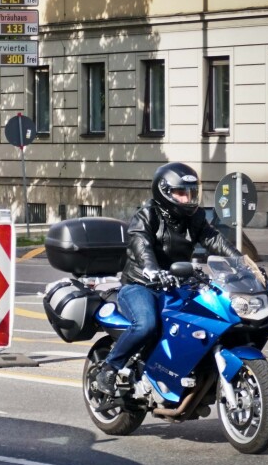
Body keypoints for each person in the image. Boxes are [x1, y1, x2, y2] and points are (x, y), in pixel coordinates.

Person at [94, 162, 245, 404]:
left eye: (191, 192)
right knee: (146, 325)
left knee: (209, 318)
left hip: (178, 283)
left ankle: (187, 371)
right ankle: (110, 368)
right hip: (141, 285)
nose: (187, 198)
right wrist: (152, 270)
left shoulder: (194, 218)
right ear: (163, 192)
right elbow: (141, 246)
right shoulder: (146, 216)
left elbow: (214, 239)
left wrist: (244, 263)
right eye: (181, 193)